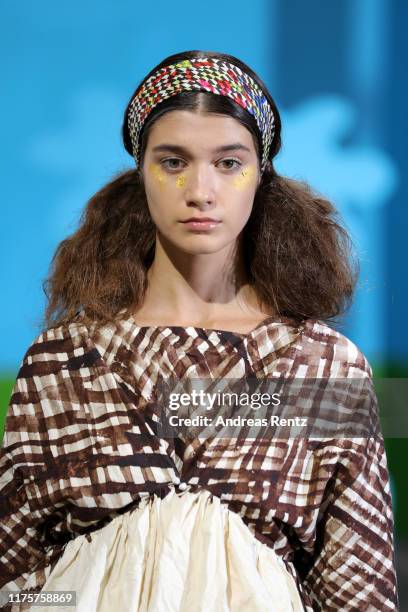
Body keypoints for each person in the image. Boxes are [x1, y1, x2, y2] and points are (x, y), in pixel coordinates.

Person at [0, 50, 398, 611]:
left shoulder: (321, 366)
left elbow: (357, 591)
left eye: (229, 163)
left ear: (261, 175)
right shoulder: (64, 362)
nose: (201, 190)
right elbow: (16, 574)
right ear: (141, 173)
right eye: (173, 161)